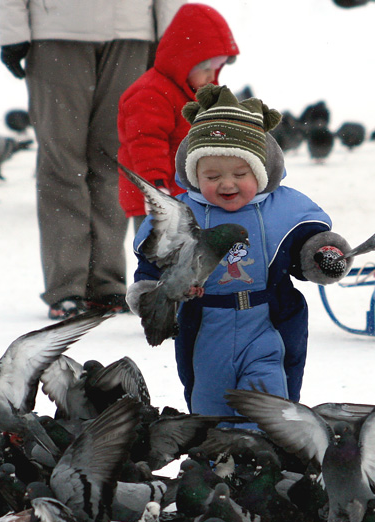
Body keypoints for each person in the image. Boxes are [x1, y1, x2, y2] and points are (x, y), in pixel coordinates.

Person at [127, 85, 353, 416]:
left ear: (260, 170)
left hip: (266, 322)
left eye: (240, 173)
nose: (227, 184)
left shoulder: (283, 209)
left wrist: (322, 256)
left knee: (268, 402)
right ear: (193, 174)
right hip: (205, 325)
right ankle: (214, 460)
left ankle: (266, 458)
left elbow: (307, 243)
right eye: (212, 175)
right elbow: (152, 263)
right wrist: (153, 294)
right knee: (209, 401)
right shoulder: (183, 212)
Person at [0, 0, 185, 320]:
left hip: (131, 31)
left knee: (115, 160)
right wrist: (13, 31)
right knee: (62, 160)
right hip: (57, 29)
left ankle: (106, 283)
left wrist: (168, 34)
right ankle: (66, 286)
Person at [118, 3, 239, 232]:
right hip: (157, 200)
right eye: (207, 66)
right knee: (161, 260)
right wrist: (156, 188)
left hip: (189, 196)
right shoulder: (149, 94)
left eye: (218, 65)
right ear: (184, 61)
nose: (213, 74)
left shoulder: (201, 94)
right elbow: (146, 143)